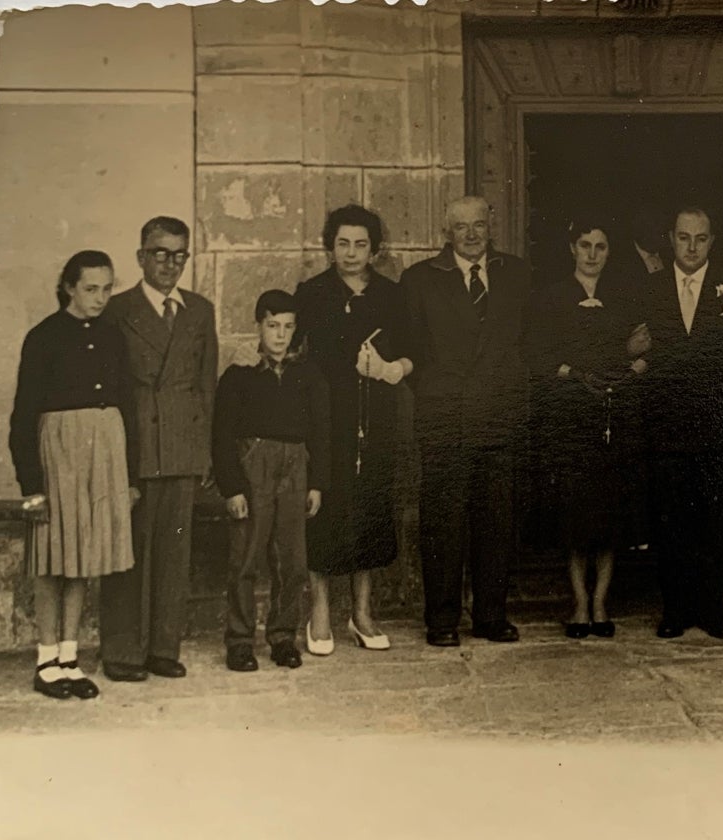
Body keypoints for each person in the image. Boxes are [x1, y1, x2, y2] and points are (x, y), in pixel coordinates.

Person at [400, 196, 532, 647]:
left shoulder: (516, 273)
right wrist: (441, 394)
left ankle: (491, 616)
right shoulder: (420, 280)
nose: (471, 235)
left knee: (495, 522)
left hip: (499, 417)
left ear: (490, 227)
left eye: (479, 225)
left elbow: (527, 342)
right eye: (461, 227)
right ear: (446, 233)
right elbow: (412, 352)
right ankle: (441, 620)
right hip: (446, 420)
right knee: (443, 524)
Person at [9, 251, 138, 700]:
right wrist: (33, 488)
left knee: (84, 556)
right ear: (68, 287)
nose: (100, 298)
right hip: (58, 454)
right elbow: (23, 416)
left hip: (104, 452)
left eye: (107, 288)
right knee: (52, 558)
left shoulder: (113, 336)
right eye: (90, 289)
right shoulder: (43, 337)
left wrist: (131, 475)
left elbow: (128, 406)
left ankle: (69, 657)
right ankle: (46, 660)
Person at [99, 217, 217, 682]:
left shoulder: (200, 310)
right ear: (141, 257)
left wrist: (204, 449)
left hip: (184, 446)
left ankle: (164, 647)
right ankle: (123, 652)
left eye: (179, 255)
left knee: (174, 553)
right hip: (137, 447)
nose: (170, 264)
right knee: (129, 554)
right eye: (160, 253)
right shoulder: (117, 309)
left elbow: (206, 386)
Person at [294, 205, 411, 654]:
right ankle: (320, 608)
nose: (351, 252)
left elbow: (412, 354)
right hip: (325, 418)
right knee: (323, 507)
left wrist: (387, 368)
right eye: (342, 243)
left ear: (374, 249)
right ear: (330, 246)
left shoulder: (390, 294)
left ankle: (362, 611)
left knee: (370, 507)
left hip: (375, 416)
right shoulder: (312, 293)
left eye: (361, 244)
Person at [638, 205, 723, 640]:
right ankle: (675, 608)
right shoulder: (647, 290)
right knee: (671, 522)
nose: (691, 246)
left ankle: (711, 608)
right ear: (670, 238)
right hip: (667, 426)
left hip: (718, 427)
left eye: (701, 238)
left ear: (712, 241)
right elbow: (631, 352)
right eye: (684, 237)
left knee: (716, 521)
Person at [527, 218, 646, 639]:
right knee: (576, 518)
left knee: (609, 518)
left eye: (600, 246)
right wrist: (575, 374)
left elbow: (644, 346)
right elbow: (539, 356)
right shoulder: (552, 298)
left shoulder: (624, 298)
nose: (592, 253)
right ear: (572, 249)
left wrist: (631, 369)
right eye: (585, 245)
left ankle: (601, 603)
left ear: (610, 252)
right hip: (571, 418)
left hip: (612, 416)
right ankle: (579, 601)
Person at [212, 290, 331, 672]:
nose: (280, 335)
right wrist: (231, 486)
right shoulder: (239, 374)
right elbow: (222, 433)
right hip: (254, 465)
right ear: (259, 326)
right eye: (272, 326)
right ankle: (240, 641)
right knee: (245, 557)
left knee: (292, 560)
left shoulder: (308, 374)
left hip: (295, 466)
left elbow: (321, 431)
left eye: (288, 327)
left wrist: (316, 482)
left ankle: (282, 637)